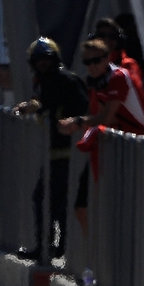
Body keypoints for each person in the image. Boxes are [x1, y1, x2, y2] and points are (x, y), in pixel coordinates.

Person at [59, 37, 144, 232]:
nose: (92, 66)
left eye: (97, 61)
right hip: (117, 145)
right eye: (87, 62)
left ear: (107, 59)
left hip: (139, 145)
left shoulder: (119, 77)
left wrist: (77, 122)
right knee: (83, 204)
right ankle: (96, 252)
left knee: (127, 207)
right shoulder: (99, 82)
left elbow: (105, 117)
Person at [14, 37, 88, 261]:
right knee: (48, 200)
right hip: (54, 152)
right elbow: (43, 102)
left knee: (55, 201)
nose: (42, 64)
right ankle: (50, 246)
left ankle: (56, 247)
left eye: (46, 60)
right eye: (38, 61)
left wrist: (64, 118)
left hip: (70, 152)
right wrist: (30, 107)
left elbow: (83, 108)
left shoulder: (68, 80)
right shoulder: (44, 81)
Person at [94, 17, 143, 94]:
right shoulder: (92, 63)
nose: (106, 40)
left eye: (112, 36)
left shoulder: (128, 65)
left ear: (119, 41)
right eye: (102, 36)